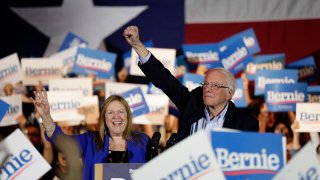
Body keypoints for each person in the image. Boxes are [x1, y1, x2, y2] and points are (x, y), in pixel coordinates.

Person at [124, 26, 259, 141]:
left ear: (229, 93)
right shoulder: (192, 105)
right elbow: (165, 80)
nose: (208, 89)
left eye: (215, 86)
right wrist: (137, 45)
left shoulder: (245, 123)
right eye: (206, 84)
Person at [31, 88, 149, 180]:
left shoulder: (143, 141)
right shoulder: (90, 140)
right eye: (110, 112)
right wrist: (45, 115)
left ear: (127, 116)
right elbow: (60, 140)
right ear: (104, 118)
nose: (116, 116)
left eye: (121, 112)